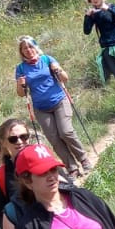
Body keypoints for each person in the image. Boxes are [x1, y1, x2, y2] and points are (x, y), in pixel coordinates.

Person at [14, 36, 91, 178]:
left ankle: (84, 159)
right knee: (54, 139)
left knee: (66, 132)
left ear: (35, 47)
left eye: (30, 47)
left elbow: (65, 78)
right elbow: (21, 93)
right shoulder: (21, 68)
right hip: (41, 108)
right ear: (21, 52)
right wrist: (20, 83)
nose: (28, 50)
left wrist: (58, 70)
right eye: (25, 48)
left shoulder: (47, 59)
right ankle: (71, 168)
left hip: (60, 100)